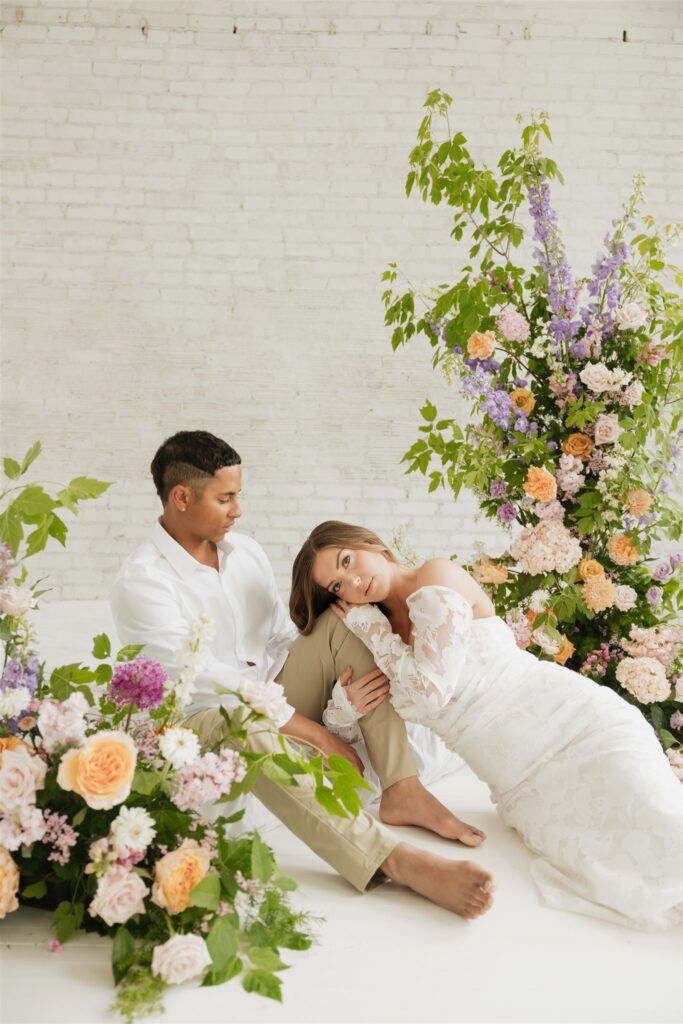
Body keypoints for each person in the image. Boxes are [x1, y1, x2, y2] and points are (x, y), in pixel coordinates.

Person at [110, 431, 494, 920]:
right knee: (245, 722)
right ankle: (395, 860)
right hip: (199, 715)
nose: (238, 510)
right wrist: (315, 732)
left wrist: (340, 694)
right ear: (182, 497)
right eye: (225, 498)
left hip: (273, 690)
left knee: (346, 619)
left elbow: (279, 638)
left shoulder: (242, 551)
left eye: (238, 495)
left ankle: (402, 787)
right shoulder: (143, 581)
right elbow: (201, 684)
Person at [290, 520, 683, 929]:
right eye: (337, 586)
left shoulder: (433, 576)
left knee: (662, 825)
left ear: (368, 543)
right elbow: (363, 728)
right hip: (524, 782)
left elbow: (430, 691)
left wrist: (372, 631)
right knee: (602, 863)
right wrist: (345, 704)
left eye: (348, 561)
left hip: (577, 726)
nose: (352, 582)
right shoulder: (377, 633)